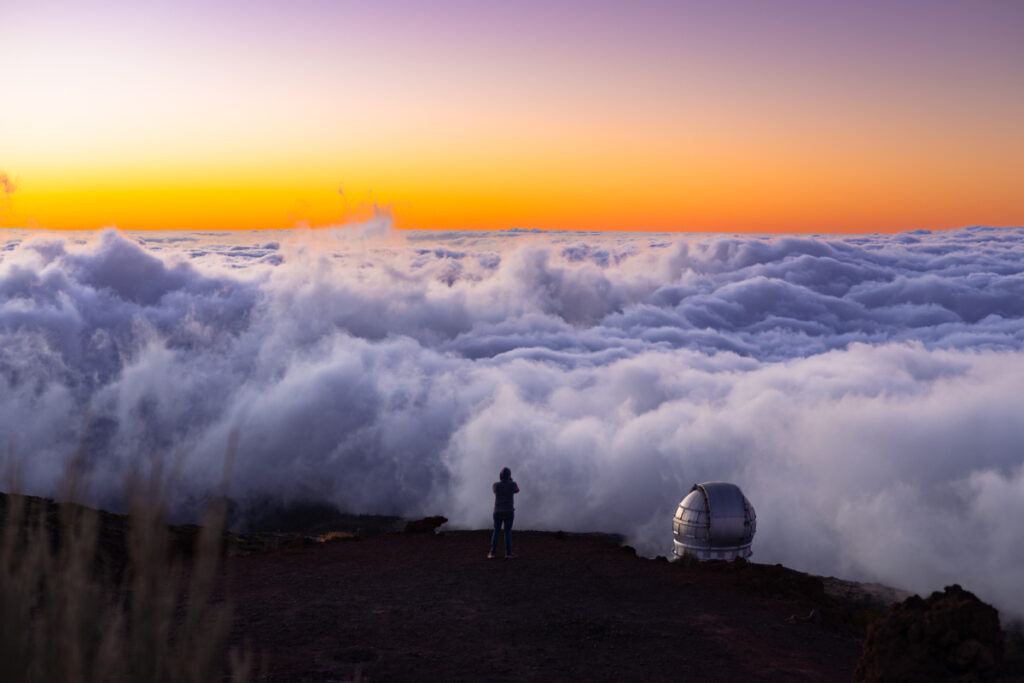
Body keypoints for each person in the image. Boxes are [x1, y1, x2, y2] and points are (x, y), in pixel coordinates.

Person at [488, 467, 519, 559]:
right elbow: (517, 490)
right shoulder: (513, 484)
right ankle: (508, 553)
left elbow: (494, 491)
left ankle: (492, 553)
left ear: (500, 476)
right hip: (509, 511)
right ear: (509, 475)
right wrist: (511, 481)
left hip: (497, 511)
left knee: (496, 531)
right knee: (508, 532)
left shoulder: (495, 485)